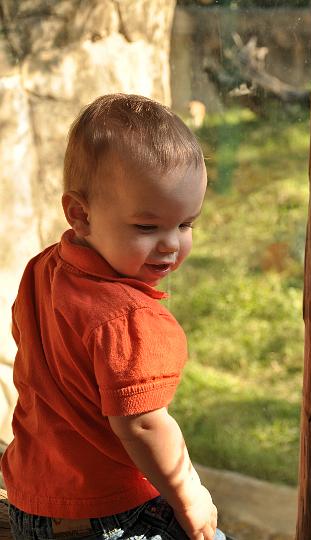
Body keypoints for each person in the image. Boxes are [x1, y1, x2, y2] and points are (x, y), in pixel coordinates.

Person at [1, 94, 226, 540]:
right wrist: (190, 493)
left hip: (32, 500)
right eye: (147, 227)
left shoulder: (42, 269)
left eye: (186, 224)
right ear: (79, 215)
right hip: (110, 512)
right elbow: (141, 423)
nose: (170, 244)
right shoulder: (129, 318)